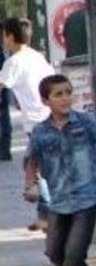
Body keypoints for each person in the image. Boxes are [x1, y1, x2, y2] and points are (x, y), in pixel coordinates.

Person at [23, 74, 96, 266]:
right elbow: (31, 160)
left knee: (73, 253)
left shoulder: (85, 122)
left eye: (68, 93)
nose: (65, 98)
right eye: (58, 94)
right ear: (45, 101)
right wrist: (29, 184)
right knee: (54, 253)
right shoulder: (41, 132)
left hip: (87, 197)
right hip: (59, 202)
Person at [1, 18, 55, 230]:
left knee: (33, 166)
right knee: (40, 166)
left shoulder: (13, 62)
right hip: (48, 116)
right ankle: (44, 214)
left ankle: (48, 212)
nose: (3, 40)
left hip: (36, 122)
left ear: (11, 36)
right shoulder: (36, 57)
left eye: (4, 35)